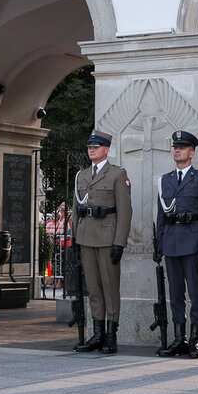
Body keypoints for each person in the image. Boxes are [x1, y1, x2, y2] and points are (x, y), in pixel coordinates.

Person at [71, 129, 132, 354]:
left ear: (106, 149)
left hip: (107, 238)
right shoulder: (81, 176)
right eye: (89, 147)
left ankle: (111, 335)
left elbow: (125, 212)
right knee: (94, 289)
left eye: (95, 147)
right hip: (86, 237)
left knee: (109, 288)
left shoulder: (117, 174)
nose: (91, 150)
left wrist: (120, 243)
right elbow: (75, 210)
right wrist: (75, 239)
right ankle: (97, 334)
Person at [154, 130, 198, 358]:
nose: (177, 150)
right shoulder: (165, 180)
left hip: (192, 243)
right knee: (176, 293)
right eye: (175, 147)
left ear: (192, 152)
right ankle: (180, 338)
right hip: (171, 243)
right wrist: (159, 244)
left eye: (182, 147)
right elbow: (161, 214)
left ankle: (195, 339)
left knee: (196, 293)